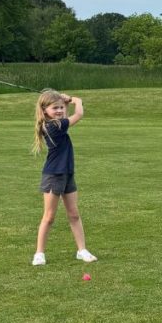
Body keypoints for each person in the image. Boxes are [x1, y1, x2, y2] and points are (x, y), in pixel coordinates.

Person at [31, 90, 98, 266]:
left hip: (67, 172)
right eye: (55, 108)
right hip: (54, 175)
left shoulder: (57, 122)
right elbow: (79, 114)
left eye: (61, 108)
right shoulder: (53, 126)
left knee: (74, 214)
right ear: (45, 110)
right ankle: (39, 253)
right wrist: (77, 100)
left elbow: (65, 117)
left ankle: (81, 250)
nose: (60, 111)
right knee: (49, 217)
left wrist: (64, 102)